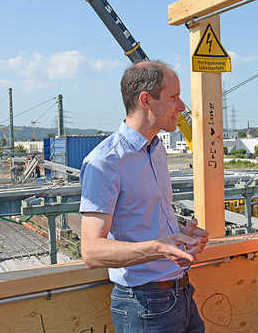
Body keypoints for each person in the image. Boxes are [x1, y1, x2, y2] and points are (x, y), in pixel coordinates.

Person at [80, 60, 208, 333]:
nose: (182, 106)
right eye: (174, 97)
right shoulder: (105, 161)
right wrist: (160, 247)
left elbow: (145, 223)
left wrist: (181, 237)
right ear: (146, 100)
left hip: (181, 293)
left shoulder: (157, 150)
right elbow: (91, 251)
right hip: (144, 304)